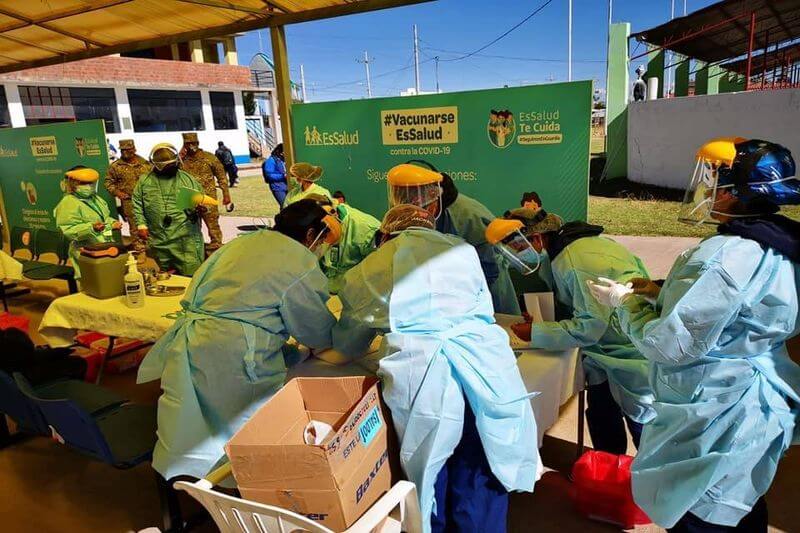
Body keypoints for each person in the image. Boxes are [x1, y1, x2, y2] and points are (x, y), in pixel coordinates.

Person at [587, 138, 800, 532]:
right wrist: (663, 291)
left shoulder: (721, 256)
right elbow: (747, 306)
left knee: (701, 509)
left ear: (735, 192)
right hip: (756, 404)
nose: (706, 189)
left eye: (714, 180)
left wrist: (625, 303)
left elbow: (669, 344)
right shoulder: (783, 245)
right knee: (740, 501)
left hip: (713, 411)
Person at [329, 204, 539, 533]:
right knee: (481, 454)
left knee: (430, 466)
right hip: (483, 364)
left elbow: (350, 338)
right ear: (431, 227)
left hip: (424, 372)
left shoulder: (376, 263)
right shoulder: (462, 249)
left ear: (385, 234)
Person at [138, 199, 340, 481]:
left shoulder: (244, 243)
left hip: (193, 340)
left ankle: (185, 484)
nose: (321, 248)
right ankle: (243, 491)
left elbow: (249, 302)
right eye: (322, 241)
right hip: (234, 352)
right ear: (309, 235)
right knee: (243, 425)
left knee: (188, 420)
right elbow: (314, 330)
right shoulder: (299, 261)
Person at [487, 210, 655, 454]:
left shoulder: (574, 262)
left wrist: (536, 333)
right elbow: (587, 308)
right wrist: (543, 324)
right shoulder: (585, 246)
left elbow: (589, 328)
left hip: (626, 354)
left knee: (645, 432)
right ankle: (608, 479)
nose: (517, 254)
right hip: (612, 351)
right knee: (603, 416)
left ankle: (640, 486)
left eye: (517, 247)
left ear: (536, 239)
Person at [387, 161, 520, 314]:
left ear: (432, 199)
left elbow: (488, 272)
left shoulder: (468, 218)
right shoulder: (415, 211)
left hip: (486, 295)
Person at [132, 144, 205, 276]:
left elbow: (201, 202)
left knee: (191, 273)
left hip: (185, 237)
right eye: (166, 166)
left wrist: (201, 208)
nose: (171, 168)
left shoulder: (187, 180)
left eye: (173, 164)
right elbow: (137, 204)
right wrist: (141, 225)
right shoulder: (145, 182)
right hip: (159, 237)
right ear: (156, 165)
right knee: (165, 275)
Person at [54, 166, 122, 280]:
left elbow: (103, 218)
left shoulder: (96, 199)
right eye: (84, 183)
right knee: (92, 284)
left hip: (104, 246)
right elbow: (68, 230)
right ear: (72, 184)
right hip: (85, 251)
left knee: (110, 280)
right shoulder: (68, 203)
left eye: (91, 183)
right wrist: (91, 228)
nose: (89, 186)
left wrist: (112, 223)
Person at [306, 194, 380, 294]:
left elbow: (378, 276)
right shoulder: (312, 230)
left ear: (334, 213)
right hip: (328, 292)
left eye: (323, 236)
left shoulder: (366, 230)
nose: (322, 241)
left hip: (358, 295)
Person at [180, 132, 231, 255]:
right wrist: (179, 157)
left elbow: (221, 176)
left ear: (198, 143)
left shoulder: (209, 158)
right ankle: (195, 251)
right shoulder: (181, 161)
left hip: (207, 198)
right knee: (190, 227)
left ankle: (216, 249)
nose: (192, 146)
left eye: (194, 143)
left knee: (213, 225)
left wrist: (226, 194)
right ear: (184, 145)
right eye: (188, 144)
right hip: (189, 198)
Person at [105, 139, 151, 252]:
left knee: (152, 223)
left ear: (134, 149)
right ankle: (140, 250)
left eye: (128, 150)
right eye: (123, 150)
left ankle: (153, 248)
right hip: (130, 201)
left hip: (148, 199)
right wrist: (118, 193)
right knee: (135, 227)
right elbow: (108, 182)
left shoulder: (145, 164)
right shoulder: (116, 166)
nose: (125, 152)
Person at [262, 143, 287, 207]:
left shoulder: (284, 160)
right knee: (284, 205)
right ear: (281, 152)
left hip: (287, 185)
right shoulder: (271, 160)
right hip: (278, 187)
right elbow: (269, 175)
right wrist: (283, 176)